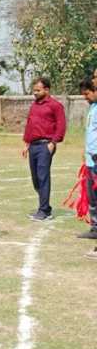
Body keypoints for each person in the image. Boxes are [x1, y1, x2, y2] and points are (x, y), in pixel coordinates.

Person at [22, 77, 66, 221]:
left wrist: (53, 143)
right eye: (34, 90)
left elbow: (61, 126)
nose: (35, 93)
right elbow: (30, 125)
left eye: (38, 90)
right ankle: (45, 208)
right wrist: (26, 144)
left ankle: (43, 211)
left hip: (45, 145)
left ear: (47, 90)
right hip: (33, 146)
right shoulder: (34, 105)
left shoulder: (55, 105)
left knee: (43, 177)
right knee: (36, 179)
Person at [77, 79, 97, 259]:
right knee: (92, 198)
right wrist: (86, 152)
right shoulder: (92, 108)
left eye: (88, 94)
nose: (86, 97)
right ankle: (95, 228)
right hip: (91, 160)